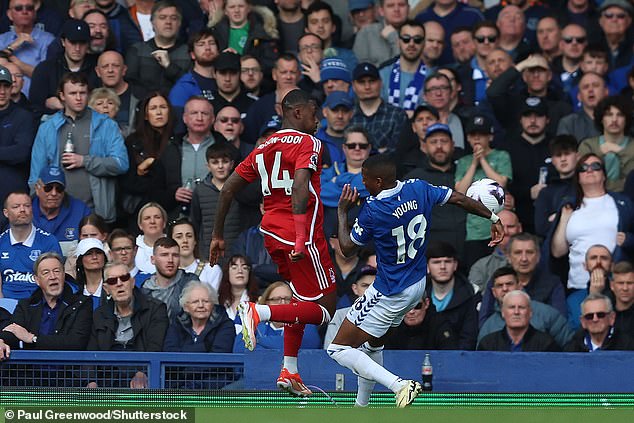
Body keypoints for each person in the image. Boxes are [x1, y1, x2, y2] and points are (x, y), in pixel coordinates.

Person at [329, 154, 504, 407]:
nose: (362, 183)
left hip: (389, 290)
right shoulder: (419, 188)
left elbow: (346, 249)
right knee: (374, 345)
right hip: (417, 285)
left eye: (365, 179)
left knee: (338, 349)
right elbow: (457, 197)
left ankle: (399, 385)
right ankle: (361, 407)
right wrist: (494, 218)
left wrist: (343, 211)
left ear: (378, 181)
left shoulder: (374, 210)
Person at [210, 89, 337, 398]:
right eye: (314, 112)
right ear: (296, 113)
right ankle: (259, 313)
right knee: (326, 308)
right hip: (301, 236)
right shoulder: (309, 143)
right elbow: (299, 185)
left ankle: (290, 370)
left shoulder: (264, 145)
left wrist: (217, 235)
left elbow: (227, 189)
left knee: (299, 300)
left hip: (270, 232)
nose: (319, 118)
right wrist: (298, 237)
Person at [28, 72, 129, 224]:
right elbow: (36, 177)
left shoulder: (106, 124)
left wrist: (85, 161)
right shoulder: (47, 127)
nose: (78, 98)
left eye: (82, 93)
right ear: (62, 96)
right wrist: (38, 213)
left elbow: (121, 164)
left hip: (96, 212)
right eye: (72, 93)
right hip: (56, 213)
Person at [550, 153, 634, 295]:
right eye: (583, 168)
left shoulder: (623, 203)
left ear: (604, 175)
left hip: (616, 286)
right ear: (578, 177)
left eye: (595, 166)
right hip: (578, 284)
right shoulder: (569, 205)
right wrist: (564, 219)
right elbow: (557, 252)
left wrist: (628, 240)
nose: (589, 170)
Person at [0, 252, 91, 357]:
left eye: (57, 271)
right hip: (32, 370)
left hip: (67, 370)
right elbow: (13, 330)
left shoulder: (81, 303)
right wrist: (1, 341)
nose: (52, 276)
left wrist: (33, 338)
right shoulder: (26, 305)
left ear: (63, 275)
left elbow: (77, 342)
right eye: (46, 272)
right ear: (37, 280)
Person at [153, 96, 225, 218]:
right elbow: (155, 188)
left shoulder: (224, 148)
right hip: (179, 217)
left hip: (214, 215)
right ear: (185, 118)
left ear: (213, 119)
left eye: (204, 113)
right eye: (194, 113)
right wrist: (173, 194)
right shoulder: (170, 148)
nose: (199, 118)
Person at [455, 114, 512, 267]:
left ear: (491, 137)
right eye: (473, 135)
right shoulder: (464, 161)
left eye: (482, 134)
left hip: (499, 227)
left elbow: (501, 184)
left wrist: (483, 161)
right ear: (468, 138)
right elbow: (460, 191)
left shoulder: (501, 156)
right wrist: (474, 164)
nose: (477, 139)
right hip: (474, 231)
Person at [405, 123, 466, 261]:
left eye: (444, 141)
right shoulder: (414, 179)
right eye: (433, 142)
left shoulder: (466, 174)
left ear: (453, 145)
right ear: (425, 147)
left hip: (467, 246)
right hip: (430, 253)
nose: (439, 146)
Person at [478, 266, 573, 348]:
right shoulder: (489, 326)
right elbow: (479, 359)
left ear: (519, 286)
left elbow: (569, 347)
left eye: (509, 284)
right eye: (499, 286)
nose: (505, 289)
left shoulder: (547, 314)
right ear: (494, 292)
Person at [119, 92, 174, 224]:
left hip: (174, 207)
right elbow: (127, 181)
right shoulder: (133, 142)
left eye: (163, 107)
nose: (159, 112)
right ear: (145, 115)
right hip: (141, 211)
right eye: (153, 108)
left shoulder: (179, 139)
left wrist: (151, 163)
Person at [29, 19, 98, 118]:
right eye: (73, 42)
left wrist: (65, 105)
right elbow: (34, 107)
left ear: (88, 44)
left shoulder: (97, 67)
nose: (77, 48)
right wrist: (45, 104)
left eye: (82, 43)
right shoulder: (45, 69)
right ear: (63, 42)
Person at [0, 191, 63, 299]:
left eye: (27, 206)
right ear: (6, 213)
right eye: (16, 207)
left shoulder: (48, 241)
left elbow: (54, 283)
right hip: (5, 307)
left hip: (37, 307)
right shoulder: (1, 241)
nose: (22, 210)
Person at [124, 1, 191, 98]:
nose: (168, 22)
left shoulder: (188, 52)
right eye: (162, 17)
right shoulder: (137, 50)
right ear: (152, 22)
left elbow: (191, 86)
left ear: (179, 23)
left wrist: (169, 67)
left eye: (173, 18)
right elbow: (130, 86)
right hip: (143, 108)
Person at [233, 281, 322, 352]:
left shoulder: (306, 324)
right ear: (266, 303)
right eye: (276, 299)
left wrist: (257, 341)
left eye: (287, 299)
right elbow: (238, 349)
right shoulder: (255, 325)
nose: (283, 303)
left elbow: (307, 344)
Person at [422, 241, 479, 350]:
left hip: (458, 359)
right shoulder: (417, 294)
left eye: (447, 261)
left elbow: (469, 337)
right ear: (427, 267)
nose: (443, 267)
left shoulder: (471, 294)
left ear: (455, 265)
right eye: (437, 262)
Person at [191, 142, 241, 261]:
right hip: (208, 253)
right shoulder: (200, 191)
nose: (220, 166)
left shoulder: (240, 189)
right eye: (215, 162)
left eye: (225, 161)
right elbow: (195, 223)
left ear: (232, 164)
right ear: (208, 165)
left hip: (237, 252)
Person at [321, 125, 371, 239]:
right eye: (352, 145)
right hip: (333, 239)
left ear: (369, 148)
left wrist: (338, 180)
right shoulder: (330, 171)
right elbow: (320, 193)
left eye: (362, 146)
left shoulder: (377, 171)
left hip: (369, 240)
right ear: (344, 148)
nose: (357, 148)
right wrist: (360, 186)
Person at [208, 0, 279, 77]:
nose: (237, 10)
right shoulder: (214, 33)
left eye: (241, 6)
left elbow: (270, 63)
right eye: (232, 7)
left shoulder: (264, 33)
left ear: (248, 8)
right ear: (225, 11)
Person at [31, 165, 91, 256]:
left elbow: (92, 244)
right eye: (48, 188)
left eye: (59, 189)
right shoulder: (24, 210)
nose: (54, 193)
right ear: (37, 188)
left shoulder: (81, 211)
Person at [578, 96, 634, 192]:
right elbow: (586, 179)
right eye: (609, 115)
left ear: (626, 119)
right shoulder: (588, 145)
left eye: (620, 115)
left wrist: (620, 152)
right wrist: (601, 153)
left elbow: (631, 182)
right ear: (601, 119)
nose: (614, 119)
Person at [350, 62, 408, 153]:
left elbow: (397, 151)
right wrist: (379, 151)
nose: (367, 87)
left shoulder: (397, 115)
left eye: (372, 81)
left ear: (380, 83)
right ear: (353, 86)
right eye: (362, 82)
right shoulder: (348, 115)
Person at [0, 0, 54, 96]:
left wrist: (14, 60)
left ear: (35, 13)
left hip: (34, 103)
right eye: (18, 8)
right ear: (9, 14)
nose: (24, 11)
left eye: (29, 8)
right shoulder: (2, 39)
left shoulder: (48, 40)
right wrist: (13, 46)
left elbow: (46, 76)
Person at [478, 290, 560, 352]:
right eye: (511, 307)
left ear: (530, 313)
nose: (516, 312)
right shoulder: (487, 344)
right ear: (503, 312)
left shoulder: (547, 344)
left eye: (521, 307)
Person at [164, 280, 234, 353]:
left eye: (206, 301)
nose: (201, 305)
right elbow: (170, 353)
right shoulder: (177, 324)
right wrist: (205, 347)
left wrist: (186, 351)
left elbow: (219, 356)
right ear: (186, 307)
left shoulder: (225, 325)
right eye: (195, 302)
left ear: (213, 305)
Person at [141, 236, 199, 321]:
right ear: (153, 260)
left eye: (175, 255)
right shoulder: (144, 290)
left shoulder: (191, 283)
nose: (170, 260)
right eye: (164, 255)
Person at [378, 20, 427, 114]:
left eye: (417, 40)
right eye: (406, 39)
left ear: (424, 43)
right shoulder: (382, 75)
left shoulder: (432, 77)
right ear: (398, 42)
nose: (411, 44)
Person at [534, 135, 578, 238]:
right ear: (553, 161)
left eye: (567, 154)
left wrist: (556, 217)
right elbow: (541, 228)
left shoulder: (586, 186)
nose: (563, 159)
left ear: (577, 156)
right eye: (558, 155)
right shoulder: (546, 192)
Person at [168, 28, 219, 117]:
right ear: (192, 54)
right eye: (201, 44)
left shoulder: (227, 80)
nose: (207, 48)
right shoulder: (184, 87)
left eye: (211, 43)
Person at [469, 209, 522, 294]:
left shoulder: (532, 260)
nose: (506, 232)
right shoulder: (481, 267)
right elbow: (473, 298)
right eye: (501, 227)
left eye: (511, 226)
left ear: (519, 228)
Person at [167, 218, 222, 295]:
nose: (185, 240)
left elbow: (211, 301)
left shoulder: (211, 270)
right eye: (179, 237)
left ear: (195, 241)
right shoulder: (166, 272)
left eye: (189, 236)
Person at [564, 293, 634, 351]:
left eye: (600, 315)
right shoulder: (572, 348)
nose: (595, 319)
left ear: (611, 318)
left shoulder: (628, 346)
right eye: (589, 316)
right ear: (583, 321)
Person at [95, 51, 139, 136]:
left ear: (124, 70)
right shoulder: (90, 98)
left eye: (115, 66)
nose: (110, 70)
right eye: (105, 66)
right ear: (98, 71)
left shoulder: (139, 96)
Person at [353, 0, 408, 67]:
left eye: (401, 5)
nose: (396, 9)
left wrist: (394, 38)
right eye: (390, 6)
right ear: (381, 11)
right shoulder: (366, 33)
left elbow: (407, 67)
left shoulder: (417, 32)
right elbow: (361, 69)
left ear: (408, 8)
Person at [557, 72, 608, 142]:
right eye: (585, 87)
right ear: (579, 96)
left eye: (595, 85)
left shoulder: (616, 118)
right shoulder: (569, 123)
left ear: (606, 92)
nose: (590, 90)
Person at [316, 91, 354, 167]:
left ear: (351, 114)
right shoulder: (313, 143)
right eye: (335, 110)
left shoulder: (361, 143)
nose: (340, 116)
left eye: (345, 111)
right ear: (325, 112)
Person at [217, 254, 259, 321]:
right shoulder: (218, 302)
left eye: (244, 268)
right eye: (234, 268)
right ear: (227, 273)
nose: (240, 271)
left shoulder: (258, 303)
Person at [134, 202, 167, 275]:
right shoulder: (132, 246)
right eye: (147, 218)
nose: (152, 221)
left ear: (164, 223)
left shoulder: (174, 245)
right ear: (140, 225)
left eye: (157, 217)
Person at [610, 261, 634, 336]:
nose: (625, 288)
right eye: (620, 283)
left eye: (629, 283)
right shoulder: (604, 315)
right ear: (612, 285)